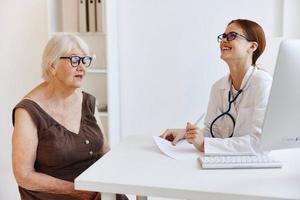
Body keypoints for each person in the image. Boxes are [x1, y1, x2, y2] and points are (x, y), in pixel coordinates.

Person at [12, 34, 128, 200]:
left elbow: (104, 150)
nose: (82, 67)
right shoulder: (27, 111)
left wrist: (109, 182)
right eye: (74, 60)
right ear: (52, 66)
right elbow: (24, 175)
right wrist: (77, 190)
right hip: (58, 194)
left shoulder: (87, 101)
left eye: (85, 60)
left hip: (97, 190)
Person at [161, 19, 272, 155]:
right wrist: (187, 133)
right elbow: (213, 132)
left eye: (232, 36)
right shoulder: (218, 87)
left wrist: (203, 145)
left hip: (253, 169)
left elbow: (258, 144)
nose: (224, 40)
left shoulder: (263, 84)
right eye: (223, 36)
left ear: (252, 47)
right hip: (222, 164)